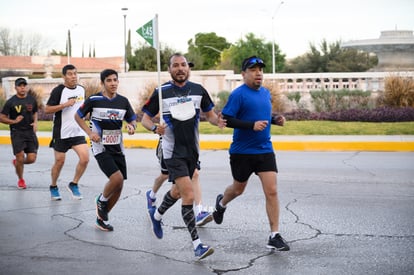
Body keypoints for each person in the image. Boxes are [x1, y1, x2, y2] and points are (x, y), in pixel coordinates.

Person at [141, 53, 225, 260]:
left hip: (192, 152)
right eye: (175, 65)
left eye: (183, 65)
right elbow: (144, 119)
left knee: (178, 192)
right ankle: (197, 245)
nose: (180, 68)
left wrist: (218, 122)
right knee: (188, 195)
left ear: (188, 68)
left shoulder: (198, 91)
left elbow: (211, 115)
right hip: (172, 153)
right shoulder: (161, 93)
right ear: (169, 69)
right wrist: (154, 128)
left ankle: (157, 215)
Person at [212, 56, 290, 251]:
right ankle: (221, 203)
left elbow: (260, 115)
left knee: (271, 191)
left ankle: (274, 235)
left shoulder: (265, 93)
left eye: (260, 70)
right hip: (242, 152)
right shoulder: (238, 94)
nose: (259, 73)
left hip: (264, 149)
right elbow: (228, 119)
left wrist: (274, 119)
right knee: (238, 190)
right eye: (253, 69)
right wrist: (251, 126)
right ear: (244, 74)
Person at [75, 68, 137, 232]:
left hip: (117, 147)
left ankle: (101, 218)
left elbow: (132, 119)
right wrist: (90, 133)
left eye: (115, 80)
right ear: (102, 83)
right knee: (116, 179)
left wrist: (131, 126)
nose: (113, 83)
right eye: (109, 80)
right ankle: (101, 200)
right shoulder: (94, 99)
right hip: (100, 147)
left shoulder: (123, 101)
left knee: (119, 185)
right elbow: (77, 116)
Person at [45, 64, 89, 200]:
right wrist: (64, 105)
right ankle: (53, 186)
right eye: (70, 74)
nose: (73, 76)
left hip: (77, 131)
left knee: (85, 159)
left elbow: (83, 108)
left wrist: (86, 115)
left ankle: (74, 184)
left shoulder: (82, 90)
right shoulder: (59, 91)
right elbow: (47, 109)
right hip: (61, 132)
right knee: (60, 161)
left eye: (75, 73)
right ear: (64, 76)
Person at [145, 137, 213, 227]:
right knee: (165, 175)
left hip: (188, 146)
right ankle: (151, 195)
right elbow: (148, 122)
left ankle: (199, 212)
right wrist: (155, 128)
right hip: (169, 147)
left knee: (194, 174)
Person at [0, 78, 39, 189]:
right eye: (20, 86)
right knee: (20, 156)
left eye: (24, 85)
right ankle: (21, 180)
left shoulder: (32, 100)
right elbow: (1, 117)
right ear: (15, 87)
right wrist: (13, 121)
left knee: (31, 159)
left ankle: (17, 163)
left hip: (30, 132)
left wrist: (35, 123)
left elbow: (35, 112)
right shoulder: (11, 102)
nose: (22, 87)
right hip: (17, 132)